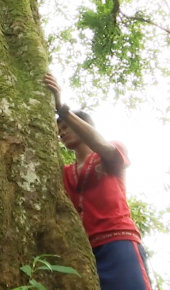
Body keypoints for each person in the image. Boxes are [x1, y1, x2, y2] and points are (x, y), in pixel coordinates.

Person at [43, 73, 152, 290]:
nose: (61, 132)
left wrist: (62, 109)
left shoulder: (110, 152)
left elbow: (104, 146)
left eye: (66, 126)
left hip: (118, 242)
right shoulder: (64, 172)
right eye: (59, 129)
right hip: (83, 253)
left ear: (85, 125)